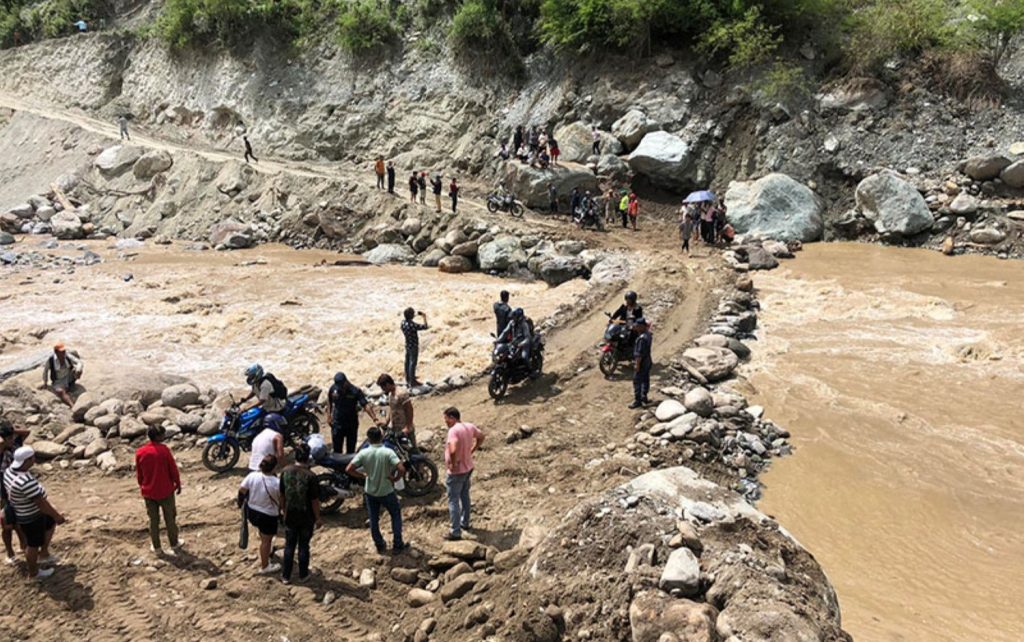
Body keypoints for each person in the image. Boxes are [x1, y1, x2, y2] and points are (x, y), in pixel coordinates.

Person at [4, 446, 66, 579]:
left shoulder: (9, 471)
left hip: (23, 509)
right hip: (31, 516)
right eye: (32, 458)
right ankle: (34, 573)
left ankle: (44, 554)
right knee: (33, 545)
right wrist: (57, 516)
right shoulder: (26, 482)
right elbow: (41, 503)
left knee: (49, 525)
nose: (34, 460)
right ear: (27, 460)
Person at [346, 426, 408, 554]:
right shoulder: (387, 452)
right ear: (381, 437)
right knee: (395, 515)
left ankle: (379, 544)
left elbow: (349, 469)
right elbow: (402, 468)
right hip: (386, 491)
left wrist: (362, 476)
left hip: (370, 491)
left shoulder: (364, 453)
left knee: (374, 519)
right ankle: (398, 544)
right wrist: (395, 479)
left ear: (368, 439)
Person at [135, 426, 182, 556]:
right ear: (158, 436)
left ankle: (157, 547)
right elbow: (173, 469)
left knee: (153, 521)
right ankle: (174, 543)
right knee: (170, 518)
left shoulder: (140, 452)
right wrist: (177, 483)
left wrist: (143, 486)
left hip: (148, 492)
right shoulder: (164, 450)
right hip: (165, 491)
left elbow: (139, 474)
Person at [278, 443, 321, 584]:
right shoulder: (311, 476)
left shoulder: (285, 471)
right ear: (308, 458)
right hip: (306, 516)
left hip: (290, 514)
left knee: (289, 545)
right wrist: (318, 518)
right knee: (303, 545)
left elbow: (282, 495)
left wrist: (283, 510)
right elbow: (314, 500)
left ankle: (286, 576)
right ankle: (303, 575)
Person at [442, 407, 483, 541]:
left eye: (446, 419)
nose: (446, 422)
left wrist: (453, 463)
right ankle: (465, 522)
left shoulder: (453, 431)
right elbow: (481, 436)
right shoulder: (469, 426)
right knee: (465, 495)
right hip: (468, 467)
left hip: (457, 471)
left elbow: (453, 449)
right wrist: (473, 449)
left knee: (453, 500)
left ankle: (455, 531)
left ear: (452, 418)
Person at [239, 454, 281, 574]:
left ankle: (266, 551)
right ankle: (265, 566)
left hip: (253, 511)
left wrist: (241, 503)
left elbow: (242, 490)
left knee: (264, 535)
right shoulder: (277, 483)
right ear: (274, 468)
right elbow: (282, 500)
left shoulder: (252, 476)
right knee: (266, 541)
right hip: (268, 515)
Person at [1, 419, 30, 563]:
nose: (11, 440)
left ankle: (23, 547)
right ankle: (10, 553)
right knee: (7, 525)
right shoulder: (2, 451)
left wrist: (11, 431)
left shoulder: (15, 445)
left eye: (11, 437)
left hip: (19, 491)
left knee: (20, 524)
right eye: (8, 438)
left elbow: (26, 432)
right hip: (4, 494)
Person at [327, 372, 377, 454]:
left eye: (342, 386)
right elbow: (329, 400)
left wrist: (374, 418)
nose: (340, 388)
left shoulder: (355, 391)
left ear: (346, 382)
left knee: (351, 450)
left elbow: (365, 405)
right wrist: (329, 415)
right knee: (337, 450)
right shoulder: (334, 389)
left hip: (351, 424)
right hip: (337, 423)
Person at [376, 374, 416, 443]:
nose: (383, 390)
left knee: (411, 447)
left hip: (404, 426)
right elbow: (391, 409)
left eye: (383, 387)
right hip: (395, 427)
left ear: (388, 384)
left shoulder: (401, 393)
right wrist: (386, 422)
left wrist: (408, 426)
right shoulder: (390, 394)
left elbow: (409, 409)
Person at [39, 343, 81, 407]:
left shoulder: (67, 356)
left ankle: (71, 384)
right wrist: (45, 382)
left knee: (79, 371)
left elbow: (79, 362)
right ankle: (72, 405)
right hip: (58, 380)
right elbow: (45, 371)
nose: (63, 353)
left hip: (69, 376)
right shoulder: (51, 360)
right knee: (60, 392)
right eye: (61, 352)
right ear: (56, 352)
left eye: (64, 351)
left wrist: (78, 369)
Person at [401, 307, 428, 387]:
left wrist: (415, 315)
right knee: (413, 363)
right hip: (414, 346)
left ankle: (408, 378)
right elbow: (425, 327)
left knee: (407, 362)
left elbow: (409, 320)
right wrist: (424, 317)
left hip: (407, 344)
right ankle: (412, 381)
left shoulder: (403, 323)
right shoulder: (412, 325)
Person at [630, 318, 653, 409]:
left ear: (642, 326)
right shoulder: (648, 335)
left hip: (642, 362)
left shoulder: (641, 339)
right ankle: (644, 397)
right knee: (645, 379)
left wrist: (637, 365)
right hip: (648, 361)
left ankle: (637, 401)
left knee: (637, 381)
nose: (636, 327)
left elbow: (639, 355)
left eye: (638, 326)